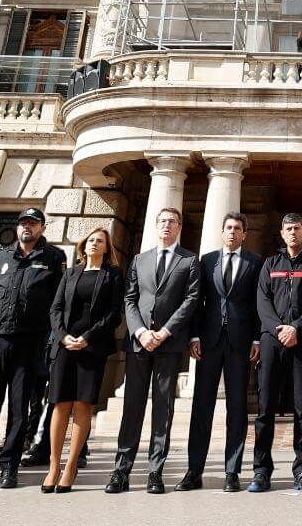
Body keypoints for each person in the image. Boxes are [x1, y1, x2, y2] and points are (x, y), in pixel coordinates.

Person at [0, 206, 66, 490]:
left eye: (32, 223)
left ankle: (9, 466)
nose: (26, 228)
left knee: (19, 408)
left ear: (42, 227)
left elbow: (57, 302)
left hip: (29, 340)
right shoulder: (2, 258)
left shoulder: (54, 258)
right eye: (22, 224)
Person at [106, 206, 199, 495]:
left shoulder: (189, 261)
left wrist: (164, 331)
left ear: (179, 226)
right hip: (139, 344)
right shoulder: (139, 260)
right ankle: (121, 470)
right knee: (132, 408)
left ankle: (155, 472)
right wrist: (141, 331)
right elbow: (130, 299)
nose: (166, 226)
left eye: (172, 221)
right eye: (162, 221)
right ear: (156, 225)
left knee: (163, 409)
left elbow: (191, 299)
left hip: (169, 344)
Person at [181, 212, 261, 493]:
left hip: (240, 344)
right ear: (222, 231)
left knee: (237, 409)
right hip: (208, 341)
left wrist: (256, 340)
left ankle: (232, 471)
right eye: (227, 227)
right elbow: (197, 300)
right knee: (202, 406)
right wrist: (193, 335)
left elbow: (257, 304)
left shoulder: (254, 262)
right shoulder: (207, 261)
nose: (232, 232)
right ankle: (194, 471)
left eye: (237, 228)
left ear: (244, 234)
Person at [251, 212, 302, 493]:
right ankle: (261, 470)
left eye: (297, 228)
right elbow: (262, 301)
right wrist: (277, 329)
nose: (293, 233)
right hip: (272, 341)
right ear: (282, 233)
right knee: (265, 408)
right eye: (288, 229)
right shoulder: (269, 263)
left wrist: (295, 328)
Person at [44, 226, 122, 493]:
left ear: (106, 247)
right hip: (65, 346)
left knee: (82, 405)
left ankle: (71, 466)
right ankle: (54, 465)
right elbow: (55, 309)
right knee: (60, 405)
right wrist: (64, 337)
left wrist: (87, 337)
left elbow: (113, 314)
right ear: (83, 245)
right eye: (91, 240)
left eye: (100, 241)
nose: (94, 244)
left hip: (92, 348)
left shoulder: (112, 275)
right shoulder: (70, 273)